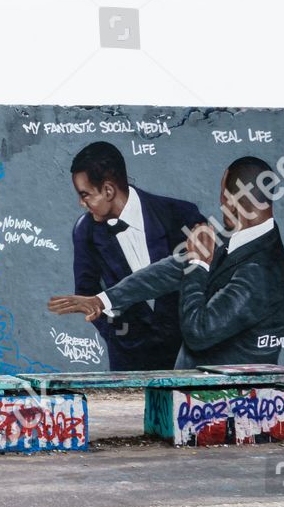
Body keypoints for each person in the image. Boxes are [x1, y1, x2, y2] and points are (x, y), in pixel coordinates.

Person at [49, 156, 284, 368]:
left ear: (234, 200)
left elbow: (199, 331)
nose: (220, 203)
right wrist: (102, 300)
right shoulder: (240, 240)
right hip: (197, 394)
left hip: (226, 402)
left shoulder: (260, 271)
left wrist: (198, 264)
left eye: (223, 195)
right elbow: (171, 270)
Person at [64, 141, 205, 370]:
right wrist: (119, 333)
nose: (82, 203)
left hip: (184, 358)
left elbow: (206, 274)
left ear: (108, 190)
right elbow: (86, 291)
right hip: (129, 361)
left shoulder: (181, 215)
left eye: (85, 195)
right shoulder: (85, 231)